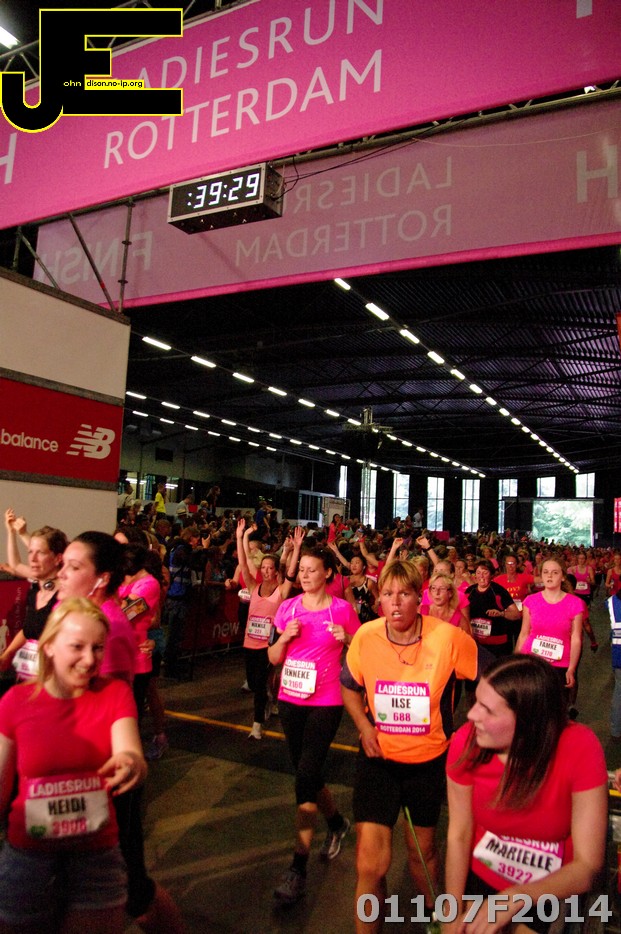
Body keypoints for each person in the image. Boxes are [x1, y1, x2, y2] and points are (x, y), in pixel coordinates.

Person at [340, 560, 477, 933]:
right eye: (387, 594)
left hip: (427, 764)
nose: (395, 602)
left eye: (404, 594)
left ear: (420, 597)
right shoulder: (366, 636)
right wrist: (364, 726)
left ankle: (434, 914)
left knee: (422, 853)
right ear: (379, 599)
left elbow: (493, 680)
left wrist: (474, 731)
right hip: (377, 761)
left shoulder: (447, 638)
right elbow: (349, 687)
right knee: (371, 864)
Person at [57, 532, 183, 933]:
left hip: (101, 776)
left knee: (130, 891)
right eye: (63, 563)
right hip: (73, 774)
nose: (61, 573)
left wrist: (127, 760)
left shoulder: (107, 628)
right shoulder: (75, 613)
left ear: (101, 579)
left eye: (73, 567)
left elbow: (108, 714)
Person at [0, 597, 147, 933]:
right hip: (27, 858)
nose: (90, 659)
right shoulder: (15, 701)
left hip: (96, 858)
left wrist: (132, 763)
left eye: (98, 648)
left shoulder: (114, 693)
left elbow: (130, 751)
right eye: (77, 647)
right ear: (49, 647)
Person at [445, 654, 608, 934]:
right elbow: (459, 833)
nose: (471, 716)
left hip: (553, 886)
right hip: (483, 875)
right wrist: (451, 912)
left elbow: (587, 866)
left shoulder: (581, 748)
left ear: (528, 722)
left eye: (488, 710)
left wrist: (518, 897)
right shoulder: (467, 742)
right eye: (476, 702)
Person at [268, 546, 360, 905]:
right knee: (308, 773)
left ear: (327, 574)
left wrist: (347, 639)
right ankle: (337, 823)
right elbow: (272, 656)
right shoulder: (288, 608)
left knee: (305, 775)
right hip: (290, 699)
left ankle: (298, 867)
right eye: (302, 570)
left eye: (312, 570)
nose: (304, 575)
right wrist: (284, 638)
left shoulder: (342, 610)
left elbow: (361, 651)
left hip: (327, 701)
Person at [235, 519, 304, 740]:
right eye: (263, 567)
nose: (265, 571)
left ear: (275, 571)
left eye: (269, 568)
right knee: (255, 683)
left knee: (260, 683)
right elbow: (243, 563)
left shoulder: (280, 591)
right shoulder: (253, 587)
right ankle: (269, 698)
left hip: (268, 645)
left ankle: (257, 725)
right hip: (249, 643)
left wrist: (296, 549)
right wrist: (240, 537)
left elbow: (291, 574)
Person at [1, 509, 68, 680]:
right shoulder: (37, 587)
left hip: (54, 677)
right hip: (28, 675)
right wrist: (7, 654)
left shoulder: (67, 593)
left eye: (40, 553)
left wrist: (22, 534)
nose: (32, 559)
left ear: (58, 558)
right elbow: (28, 629)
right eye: (30, 552)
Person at [515, 558, 584, 697]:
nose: (549, 576)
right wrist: (516, 661)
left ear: (563, 577)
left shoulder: (575, 603)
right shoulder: (530, 601)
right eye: (545, 572)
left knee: (555, 706)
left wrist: (571, 668)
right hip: (532, 663)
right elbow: (524, 634)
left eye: (555, 572)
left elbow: (576, 638)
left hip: (560, 665)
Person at [466, 560, 520, 661]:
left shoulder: (499, 591)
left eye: (485, 573)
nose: (481, 576)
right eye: (478, 573)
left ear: (491, 575)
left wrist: (501, 613)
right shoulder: (469, 591)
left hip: (497, 646)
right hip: (476, 642)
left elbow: (516, 614)